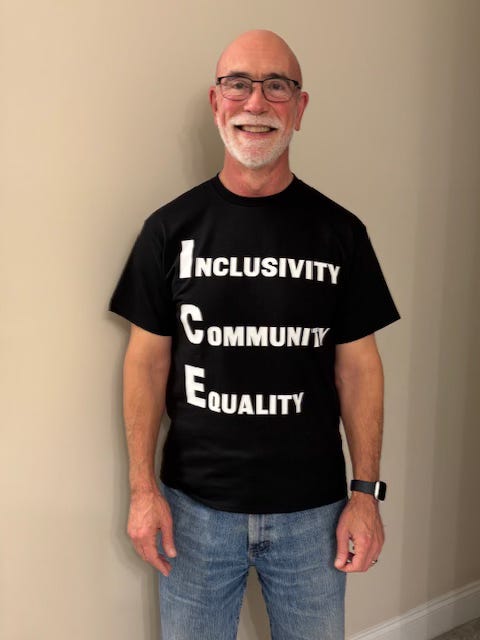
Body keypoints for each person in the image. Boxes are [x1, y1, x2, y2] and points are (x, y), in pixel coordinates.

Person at [109, 29, 400, 640]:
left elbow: (359, 370)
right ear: (217, 102)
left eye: (277, 86)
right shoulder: (168, 231)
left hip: (314, 513)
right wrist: (141, 490)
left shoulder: (341, 234)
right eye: (238, 84)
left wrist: (365, 494)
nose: (257, 102)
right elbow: (145, 365)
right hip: (193, 511)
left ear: (300, 106)